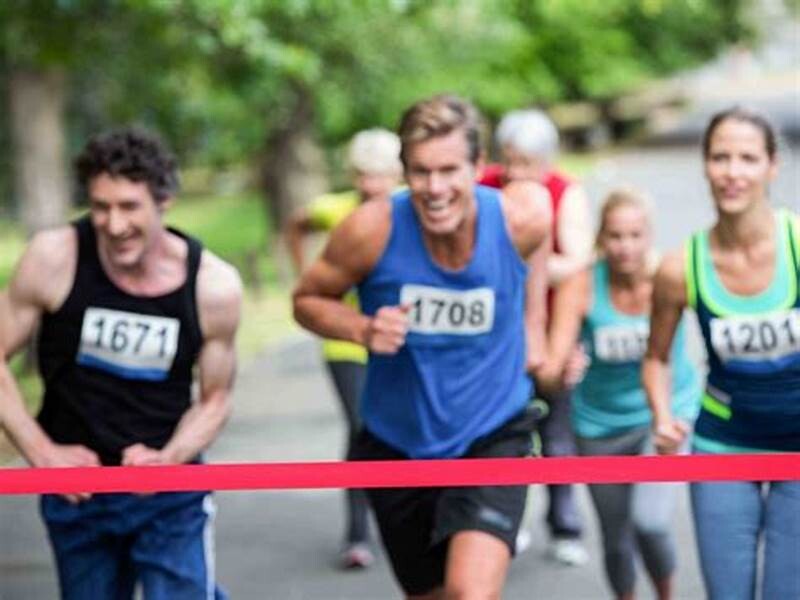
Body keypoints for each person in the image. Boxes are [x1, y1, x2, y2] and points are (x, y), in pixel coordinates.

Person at [293, 94, 551, 599]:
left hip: (492, 432)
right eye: (420, 172)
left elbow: (541, 253)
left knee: (469, 593)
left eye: (449, 170)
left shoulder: (520, 219)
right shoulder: (370, 229)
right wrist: (362, 328)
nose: (435, 189)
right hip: (397, 441)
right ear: (404, 170)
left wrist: (537, 326)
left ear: (478, 166)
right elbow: (306, 300)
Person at [0, 128, 242, 600]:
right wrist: (43, 453)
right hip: (78, 488)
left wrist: (169, 458)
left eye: (130, 207)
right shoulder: (54, 257)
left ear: (164, 201)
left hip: (168, 488)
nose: (113, 225)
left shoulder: (212, 286)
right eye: (100, 207)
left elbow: (216, 399)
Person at [643, 107, 800, 600]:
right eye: (720, 157)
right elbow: (656, 357)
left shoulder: (798, 245)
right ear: (706, 165)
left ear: (772, 166)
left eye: (748, 158)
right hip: (723, 445)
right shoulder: (679, 267)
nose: (733, 172)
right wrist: (662, 416)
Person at [538, 188, 700, 600]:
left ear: (650, 236)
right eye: (615, 236)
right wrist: (563, 371)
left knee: (650, 522)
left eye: (634, 235)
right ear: (600, 238)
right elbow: (550, 375)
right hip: (598, 426)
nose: (625, 247)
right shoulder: (582, 285)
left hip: (663, 417)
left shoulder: (669, 275)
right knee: (615, 537)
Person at [283, 128, 402, 569]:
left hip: (396, 339)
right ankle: (357, 533)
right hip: (345, 341)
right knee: (360, 426)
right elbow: (296, 225)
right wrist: (304, 274)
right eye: (364, 175)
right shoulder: (335, 210)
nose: (373, 185)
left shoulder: (408, 209)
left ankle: (404, 518)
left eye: (382, 175)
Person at [481, 108, 593, 565]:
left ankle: (565, 526)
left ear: (547, 162)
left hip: (553, 328)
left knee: (556, 431)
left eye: (526, 163)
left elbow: (577, 263)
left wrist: (518, 262)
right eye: (509, 160)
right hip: (495, 336)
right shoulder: (486, 185)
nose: (515, 173)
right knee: (502, 433)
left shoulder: (566, 192)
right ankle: (505, 522)